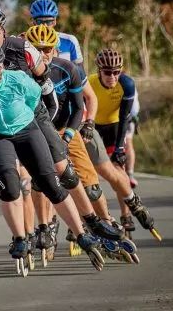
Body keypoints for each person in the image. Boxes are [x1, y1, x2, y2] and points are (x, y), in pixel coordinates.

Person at [0, 7, 118, 254]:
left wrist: (49, 118)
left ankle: (92, 221)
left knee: (64, 170)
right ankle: (41, 227)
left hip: (36, 112)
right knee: (26, 179)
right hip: (1, 123)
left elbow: (45, 82)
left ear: (5, 31)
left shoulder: (23, 48)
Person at [25, 25, 136, 260]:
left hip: (66, 127)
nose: (42, 53)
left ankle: (106, 223)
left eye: (46, 48)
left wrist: (70, 134)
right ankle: (45, 228)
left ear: (55, 49)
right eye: (36, 49)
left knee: (91, 186)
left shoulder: (68, 68)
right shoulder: (21, 74)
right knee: (39, 182)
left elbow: (79, 107)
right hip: (35, 130)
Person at [88, 49, 157, 238]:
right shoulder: (90, 82)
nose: (112, 76)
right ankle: (91, 216)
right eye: (107, 72)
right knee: (89, 174)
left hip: (114, 126)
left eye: (116, 72)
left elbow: (124, 116)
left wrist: (120, 147)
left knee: (119, 170)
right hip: (93, 127)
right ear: (99, 70)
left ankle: (126, 215)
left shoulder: (127, 84)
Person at [125, 91, 140, 188]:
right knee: (128, 144)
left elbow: (134, 107)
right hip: (128, 118)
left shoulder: (129, 83)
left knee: (128, 144)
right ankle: (129, 174)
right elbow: (135, 108)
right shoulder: (130, 82)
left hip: (126, 119)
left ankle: (129, 174)